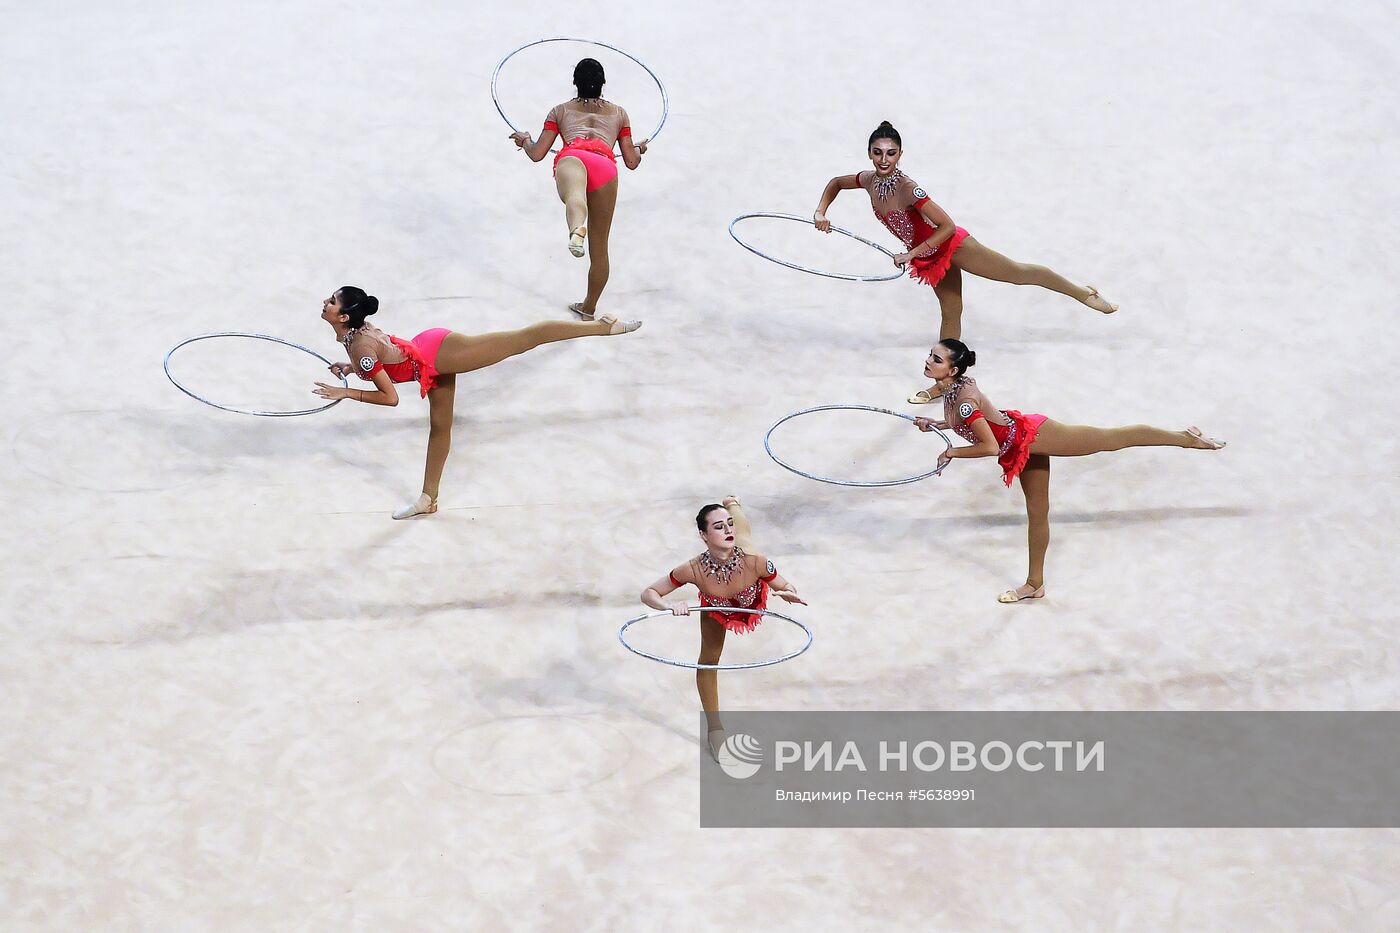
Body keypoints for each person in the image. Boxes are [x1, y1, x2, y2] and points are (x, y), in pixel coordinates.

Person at [814, 120, 1118, 403]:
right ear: (868, 153)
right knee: (951, 312)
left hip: (953, 247)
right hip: (929, 257)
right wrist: (821, 212)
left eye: (891, 153)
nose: (884, 159)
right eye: (878, 153)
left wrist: (911, 253)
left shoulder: (908, 188)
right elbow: (835, 183)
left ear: (900, 154)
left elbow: (946, 225)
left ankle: (1083, 294)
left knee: (1017, 273)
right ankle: (944, 382)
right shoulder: (868, 180)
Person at [912, 339, 1225, 603]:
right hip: (1019, 447)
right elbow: (964, 421)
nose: (928, 361)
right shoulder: (954, 387)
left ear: (952, 370)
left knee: (1109, 439)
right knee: (1037, 512)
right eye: (930, 354)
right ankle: (1035, 585)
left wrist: (951, 450)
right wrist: (937, 425)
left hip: (1032, 436)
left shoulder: (964, 398)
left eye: (935, 359)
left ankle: (1186, 439)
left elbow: (990, 445)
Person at [312, 285, 639, 518]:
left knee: (521, 340)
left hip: (437, 355)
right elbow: (380, 360)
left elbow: (391, 398)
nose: (326, 302)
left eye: (332, 301)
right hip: (425, 360)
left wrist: (346, 391)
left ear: (343, 317)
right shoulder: (356, 339)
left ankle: (600, 328)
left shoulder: (360, 347)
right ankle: (429, 498)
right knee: (439, 428)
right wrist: (353, 369)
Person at [641, 497, 806, 761]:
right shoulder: (692, 569)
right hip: (716, 608)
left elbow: (786, 585)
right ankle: (715, 729)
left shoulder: (755, 561)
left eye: (729, 525)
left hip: (751, 597)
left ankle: (733, 504)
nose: (728, 530)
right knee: (707, 661)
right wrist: (668, 607)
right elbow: (648, 593)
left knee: (745, 535)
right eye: (719, 527)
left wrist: (788, 593)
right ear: (703, 535)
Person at [510, 57, 648, 320]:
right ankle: (588, 309)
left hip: (575, 157)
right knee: (601, 248)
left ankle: (576, 229)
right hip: (605, 166)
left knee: (575, 195)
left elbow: (538, 153)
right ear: (603, 84)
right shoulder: (619, 114)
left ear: (575, 83)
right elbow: (631, 161)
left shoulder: (560, 111)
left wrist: (525, 140)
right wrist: (640, 148)